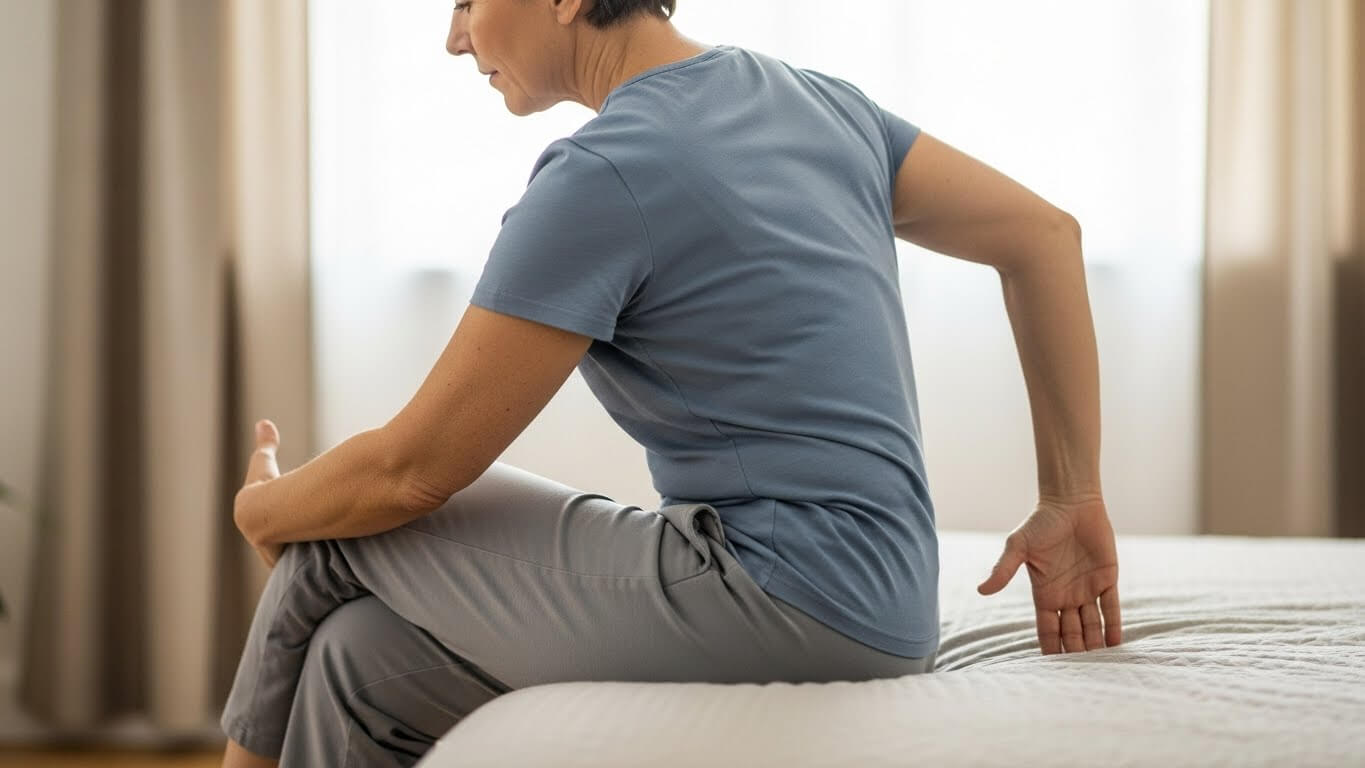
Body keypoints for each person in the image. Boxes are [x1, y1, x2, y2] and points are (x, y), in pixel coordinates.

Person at [219, 0, 1122, 765]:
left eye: (462, 0)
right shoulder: (818, 104)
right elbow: (1043, 238)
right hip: (884, 602)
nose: (453, 39)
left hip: (778, 594)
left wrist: (261, 510)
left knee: (334, 534)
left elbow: (408, 473)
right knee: (356, 658)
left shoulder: (606, 169)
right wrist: (1071, 494)